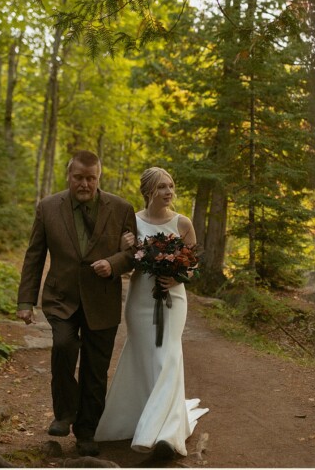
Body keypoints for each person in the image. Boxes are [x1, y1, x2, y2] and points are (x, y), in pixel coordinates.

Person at [16, 151, 137, 457]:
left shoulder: (122, 208)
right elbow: (34, 255)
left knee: (95, 370)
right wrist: (25, 300)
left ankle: (86, 433)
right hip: (61, 298)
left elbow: (135, 253)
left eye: (91, 178)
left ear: (99, 177)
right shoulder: (47, 208)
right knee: (63, 347)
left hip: (102, 300)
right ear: (68, 176)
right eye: (78, 177)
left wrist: (113, 263)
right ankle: (64, 413)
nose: (84, 184)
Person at [95, 167, 208, 462]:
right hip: (140, 299)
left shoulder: (182, 222)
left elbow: (193, 264)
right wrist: (125, 248)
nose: (168, 192)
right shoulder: (132, 222)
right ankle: (138, 416)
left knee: (168, 355)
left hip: (174, 299)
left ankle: (165, 434)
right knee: (143, 355)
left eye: (170, 186)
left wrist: (178, 278)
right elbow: (128, 263)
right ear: (148, 191)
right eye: (161, 187)